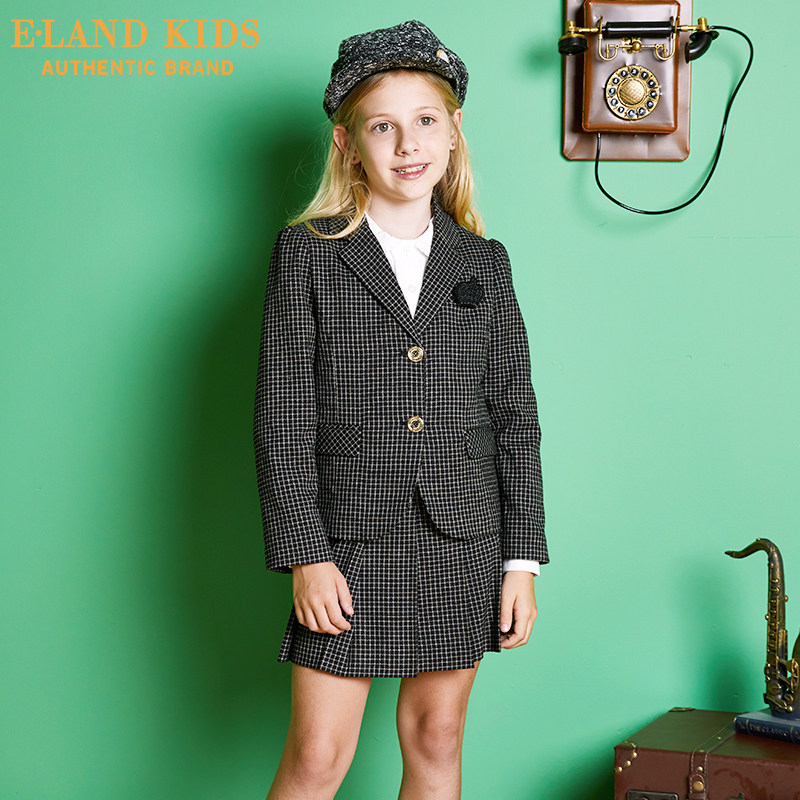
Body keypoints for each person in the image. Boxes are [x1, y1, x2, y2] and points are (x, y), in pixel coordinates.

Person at [253, 19, 548, 800]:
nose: (407, 144)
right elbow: (282, 420)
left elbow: (515, 420)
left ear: (453, 132)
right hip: (347, 539)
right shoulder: (308, 254)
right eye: (382, 126)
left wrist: (521, 562)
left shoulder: (485, 262)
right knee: (318, 755)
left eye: (424, 121)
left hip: (463, 537)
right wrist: (306, 554)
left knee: (437, 736)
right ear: (349, 144)